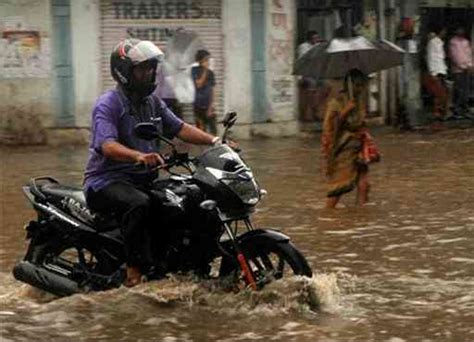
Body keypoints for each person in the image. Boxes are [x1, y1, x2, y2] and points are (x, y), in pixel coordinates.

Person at [83, 39, 221, 287]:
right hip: (106, 182)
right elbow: (107, 145)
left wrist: (215, 141)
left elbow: (180, 128)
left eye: (150, 68)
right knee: (140, 204)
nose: (148, 73)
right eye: (142, 69)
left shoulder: (153, 103)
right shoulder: (109, 104)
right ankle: (133, 273)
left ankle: (180, 263)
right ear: (124, 72)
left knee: (189, 198)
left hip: (142, 180)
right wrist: (137, 155)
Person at [321, 69, 377, 209]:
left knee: (364, 183)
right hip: (344, 146)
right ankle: (329, 213)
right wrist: (345, 113)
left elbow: (360, 122)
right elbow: (332, 127)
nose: (361, 89)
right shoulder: (338, 102)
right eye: (358, 85)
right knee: (339, 186)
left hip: (358, 145)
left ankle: (361, 212)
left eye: (362, 85)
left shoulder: (359, 102)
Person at [423, 28, 449, 122]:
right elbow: (431, 57)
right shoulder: (433, 43)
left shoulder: (440, 42)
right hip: (436, 70)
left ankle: (441, 112)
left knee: (442, 93)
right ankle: (437, 112)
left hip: (441, 69)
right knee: (438, 93)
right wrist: (432, 72)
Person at [449, 26, 473, 118]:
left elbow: (469, 54)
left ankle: (465, 108)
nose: (461, 31)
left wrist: (470, 65)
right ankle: (457, 109)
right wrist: (462, 66)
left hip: (467, 68)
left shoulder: (466, 42)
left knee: (466, 90)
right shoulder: (453, 42)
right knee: (459, 89)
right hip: (458, 70)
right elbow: (455, 56)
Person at [191, 49, 216, 134]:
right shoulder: (194, 70)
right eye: (206, 59)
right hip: (198, 104)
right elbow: (198, 84)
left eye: (208, 59)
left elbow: (212, 90)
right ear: (200, 60)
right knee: (201, 131)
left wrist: (211, 106)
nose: (208, 61)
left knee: (213, 131)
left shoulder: (211, 72)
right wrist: (205, 70)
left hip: (208, 104)